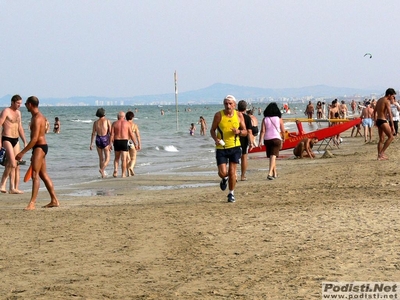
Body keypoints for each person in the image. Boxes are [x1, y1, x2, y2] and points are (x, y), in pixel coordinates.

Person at [16, 96, 59, 210]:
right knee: (43, 175)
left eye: (26, 104)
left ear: (30, 104)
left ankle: (32, 203)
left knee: (35, 175)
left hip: (39, 147)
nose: (25, 106)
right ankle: (54, 200)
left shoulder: (37, 118)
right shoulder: (39, 117)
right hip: (40, 147)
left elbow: (34, 139)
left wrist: (22, 153)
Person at [210, 95, 247, 203]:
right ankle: (224, 178)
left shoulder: (239, 115)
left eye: (230, 103)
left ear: (234, 105)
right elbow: (212, 130)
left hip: (235, 147)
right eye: (226, 103)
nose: (228, 105)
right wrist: (215, 139)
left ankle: (231, 193)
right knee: (222, 172)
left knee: (232, 172)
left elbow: (245, 131)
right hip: (221, 148)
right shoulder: (218, 115)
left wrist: (239, 132)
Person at [0, 95, 27, 194]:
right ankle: (2, 184)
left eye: (20, 103)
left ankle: (12, 188)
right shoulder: (6, 111)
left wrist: (24, 141)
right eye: (18, 103)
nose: (19, 105)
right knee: (11, 162)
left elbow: (20, 127)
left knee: (15, 164)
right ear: (12, 102)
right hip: (6, 138)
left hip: (16, 139)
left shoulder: (19, 113)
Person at [258, 102, 285, 180]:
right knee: (273, 156)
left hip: (267, 139)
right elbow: (283, 131)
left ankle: (275, 173)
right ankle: (270, 173)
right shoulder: (279, 119)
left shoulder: (265, 119)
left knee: (272, 156)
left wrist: (260, 141)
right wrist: (283, 138)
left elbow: (262, 131)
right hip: (276, 139)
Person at [110, 111, 138, 178]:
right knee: (124, 159)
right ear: (124, 116)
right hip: (124, 141)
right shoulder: (127, 123)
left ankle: (116, 170)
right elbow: (131, 134)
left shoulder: (114, 123)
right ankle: (123, 174)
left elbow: (112, 135)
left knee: (116, 158)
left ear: (118, 117)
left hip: (116, 141)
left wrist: (109, 144)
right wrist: (135, 143)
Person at [373, 88, 396, 160]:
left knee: (381, 139)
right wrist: (392, 126)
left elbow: (374, 111)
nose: (393, 97)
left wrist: (375, 121)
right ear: (389, 95)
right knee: (391, 137)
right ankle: (381, 153)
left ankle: (379, 156)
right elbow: (390, 114)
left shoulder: (379, 100)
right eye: (392, 96)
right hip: (383, 120)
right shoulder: (386, 101)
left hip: (378, 120)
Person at [90, 108, 112, 178]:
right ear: (104, 113)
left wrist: (91, 144)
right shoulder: (107, 121)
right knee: (107, 158)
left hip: (98, 139)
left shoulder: (95, 123)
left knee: (101, 158)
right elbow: (111, 133)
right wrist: (111, 143)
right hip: (105, 139)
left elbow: (93, 133)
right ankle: (102, 170)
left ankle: (103, 175)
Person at [237, 100, 253, 181]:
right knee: (244, 157)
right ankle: (242, 176)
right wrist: (251, 142)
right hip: (244, 138)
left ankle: (234, 174)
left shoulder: (234, 116)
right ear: (245, 108)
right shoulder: (247, 118)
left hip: (235, 138)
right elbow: (249, 131)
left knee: (234, 157)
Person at [126, 110, 141, 176]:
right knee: (133, 158)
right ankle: (131, 167)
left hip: (124, 142)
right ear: (132, 117)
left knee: (127, 159)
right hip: (131, 143)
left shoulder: (124, 124)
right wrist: (139, 144)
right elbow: (137, 135)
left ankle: (128, 173)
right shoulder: (134, 125)